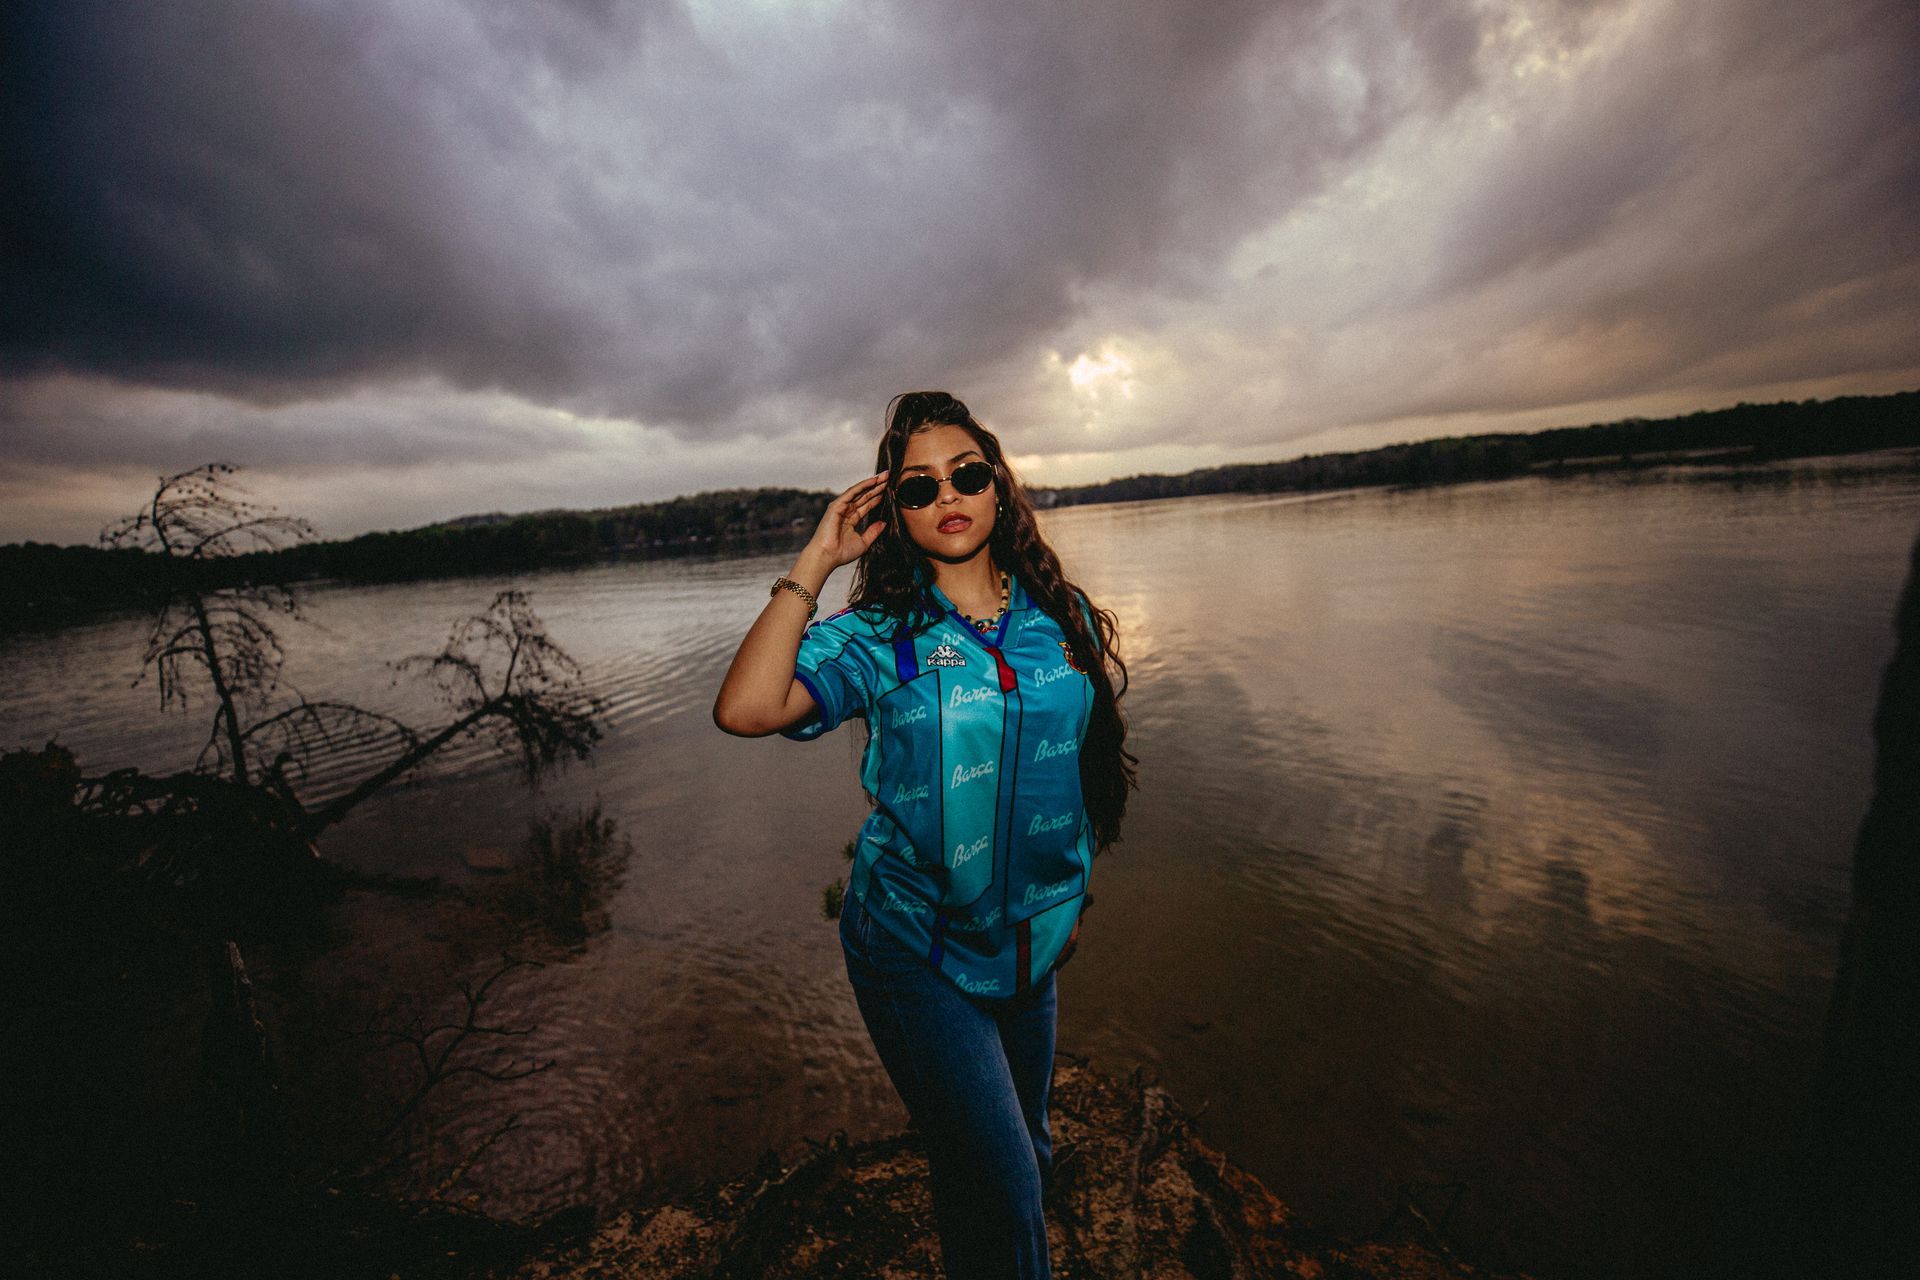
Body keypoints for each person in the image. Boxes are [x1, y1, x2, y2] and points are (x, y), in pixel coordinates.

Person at [713, 390, 1136, 1278]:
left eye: (967, 474)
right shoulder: (880, 638)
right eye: (917, 487)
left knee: (1022, 1159)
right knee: (1010, 1190)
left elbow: (1080, 771)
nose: (948, 495)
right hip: (914, 944)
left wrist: (1066, 899)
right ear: (892, 514)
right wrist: (818, 559)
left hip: (1028, 947)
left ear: (998, 488)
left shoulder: (1055, 615)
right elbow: (747, 707)